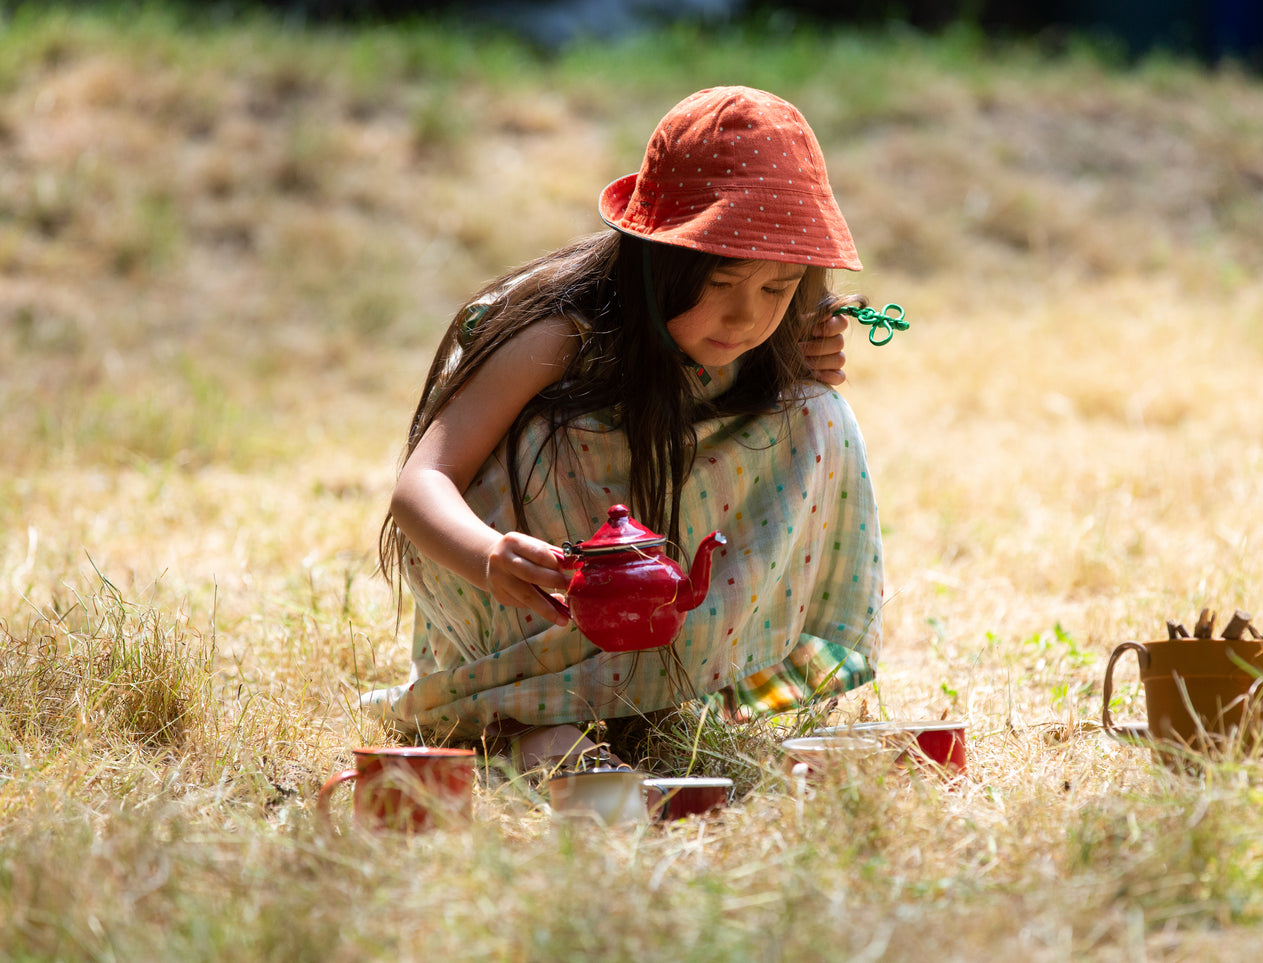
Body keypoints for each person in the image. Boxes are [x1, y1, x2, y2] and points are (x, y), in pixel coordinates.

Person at [362, 86, 885, 770]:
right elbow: (421, 482)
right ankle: (528, 715)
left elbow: (778, 355)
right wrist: (490, 556)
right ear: (657, 260)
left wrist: (798, 362)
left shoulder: (775, 343)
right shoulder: (560, 332)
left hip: (656, 626)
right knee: (554, 436)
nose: (744, 320)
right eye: (721, 284)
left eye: (775, 289)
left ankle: (664, 700)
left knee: (819, 414)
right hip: (533, 602)